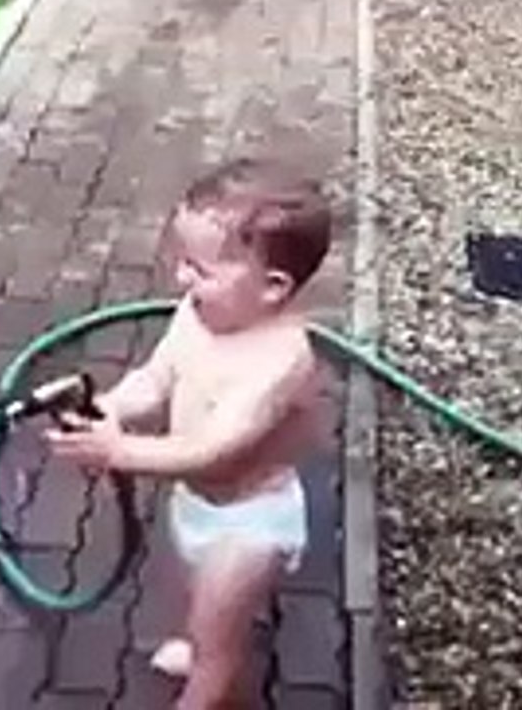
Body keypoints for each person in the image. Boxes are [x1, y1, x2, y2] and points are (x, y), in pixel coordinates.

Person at [44, 156, 337, 709]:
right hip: (195, 504)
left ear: (272, 287)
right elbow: (157, 378)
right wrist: (111, 408)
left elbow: (213, 450)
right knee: (196, 597)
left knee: (219, 645)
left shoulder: (279, 362)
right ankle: (205, 639)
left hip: (247, 526)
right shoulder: (196, 314)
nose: (182, 279)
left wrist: (119, 450)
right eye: (182, 261)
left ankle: (212, 677)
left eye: (200, 269)